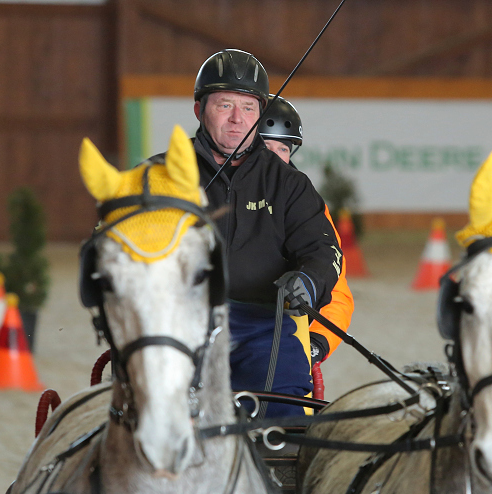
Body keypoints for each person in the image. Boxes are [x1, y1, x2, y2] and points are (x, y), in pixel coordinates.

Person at [152, 49, 341, 418]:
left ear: (260, 114)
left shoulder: (290, 184)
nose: (238, 120)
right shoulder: (161, 177)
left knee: (284, 430)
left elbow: (324, 249)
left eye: (249, 108)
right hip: (178, 326)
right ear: (199, 110)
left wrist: (309, 281)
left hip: (266, 330)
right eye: (225, 105)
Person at [258, 95, 354, 367]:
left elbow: (338, 294)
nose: (275, 159)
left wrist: (315, 344)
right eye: (265, 146)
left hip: (284, 346)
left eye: (283, 149)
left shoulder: (306, 204)